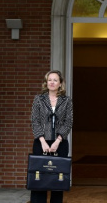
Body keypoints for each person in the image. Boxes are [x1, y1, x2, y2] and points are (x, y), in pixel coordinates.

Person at [30, 70, 73, 203]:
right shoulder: (38, 99)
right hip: (41, 142)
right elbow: (35, 120)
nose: (52, 82)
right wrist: (42, 141)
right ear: (46, 82)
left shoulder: (66, 101)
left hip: (60, 144)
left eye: (55, 80)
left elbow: (69, 121)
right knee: (39, 178)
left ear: (60, 84)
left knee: (57, 179)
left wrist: (57, 141)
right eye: (50, 80)